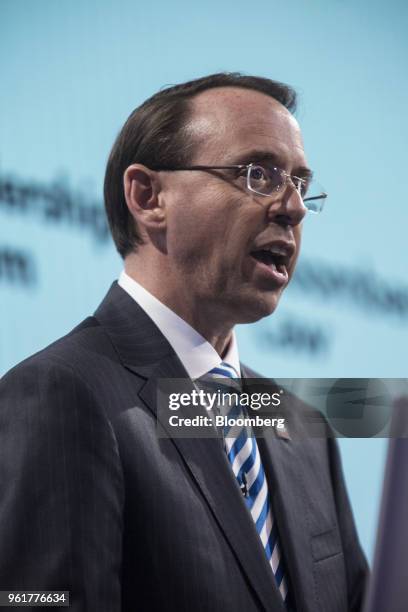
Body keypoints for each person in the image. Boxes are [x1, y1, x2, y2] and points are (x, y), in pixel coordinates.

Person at [0, 73, 368, 611]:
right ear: (148, 197)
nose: (292, 208)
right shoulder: (59, 393)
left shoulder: (302, 426)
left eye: (301, 184)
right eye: (259, 174)